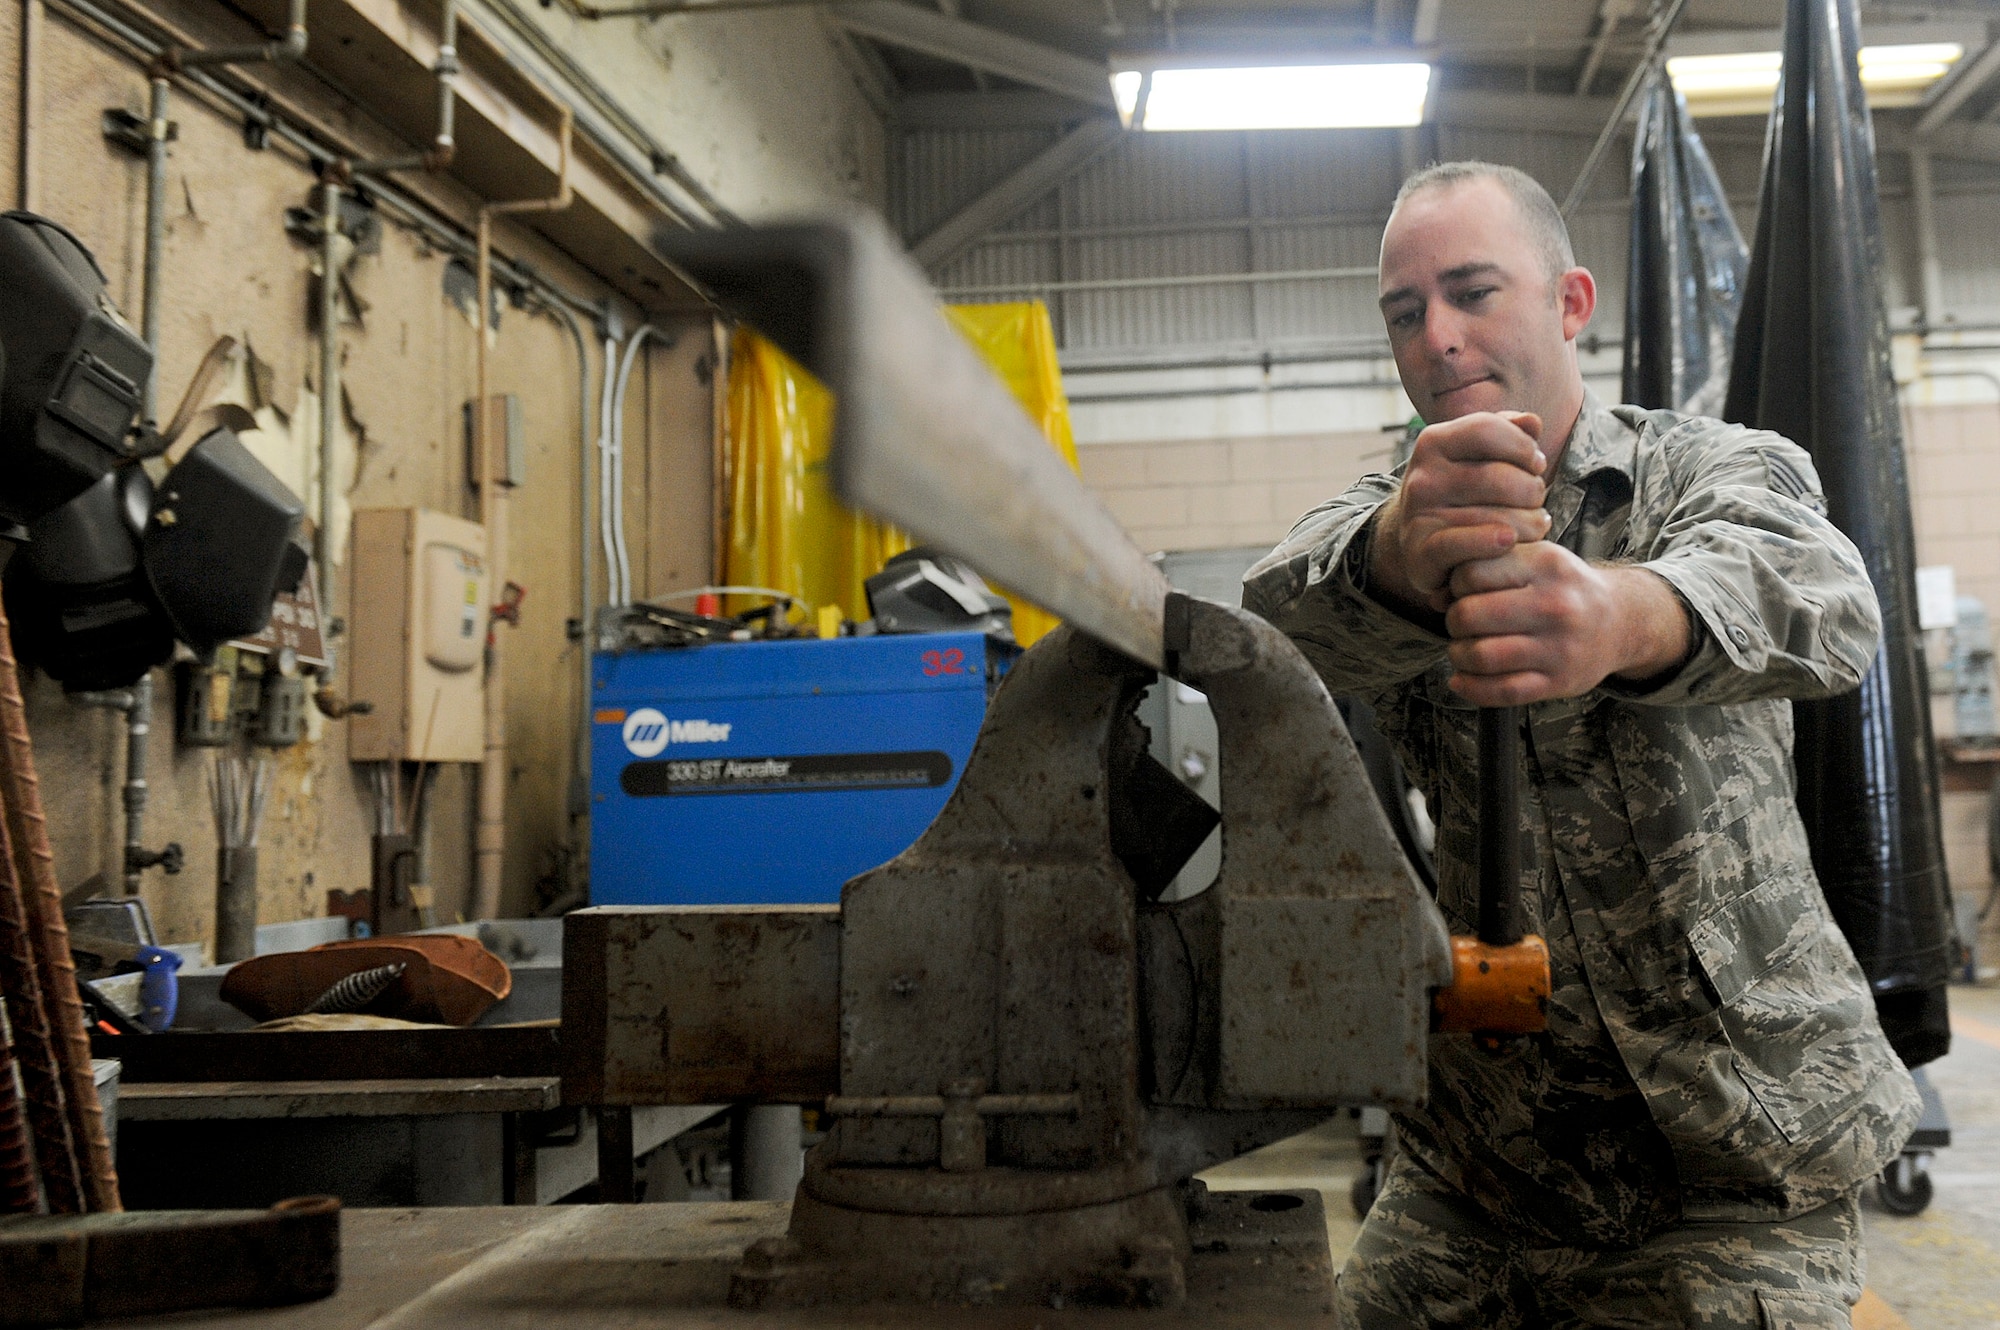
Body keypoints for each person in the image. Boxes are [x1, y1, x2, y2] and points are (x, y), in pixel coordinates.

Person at [1241, 161, 1919, 1329]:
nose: (1438, 338)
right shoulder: (1386, 518)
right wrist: (1399, 560)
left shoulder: (1704, 469)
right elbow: (1273, 620)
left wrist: (1620, 615)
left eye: (1471, 292)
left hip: (1736, 1166)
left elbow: (1821, 598)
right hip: (1487, 1170)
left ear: (1568, 302)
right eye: (1404, 312)